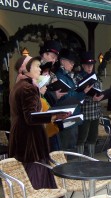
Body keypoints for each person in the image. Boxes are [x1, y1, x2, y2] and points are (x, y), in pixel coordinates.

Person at [9, 55, 70, 189]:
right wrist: (53, 117)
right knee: (34, 171)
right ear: (26, 70)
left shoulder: (21, 85)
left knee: (26, 171)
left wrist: (54, 116)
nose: (39, 69)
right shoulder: (28, 88)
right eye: (36, 66)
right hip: (29, 137)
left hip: (23, 134)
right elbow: (31, 117)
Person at [55, 48, 93, 151]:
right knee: (64, 147)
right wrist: (83, 93)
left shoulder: (67, 76)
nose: (73, 64)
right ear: (62, 61)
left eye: (73, 62)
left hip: (73, 114)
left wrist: (82, 92)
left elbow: (73, 93)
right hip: (66, 115)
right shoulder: (59, 76)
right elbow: (68, 96)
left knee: (70, 146)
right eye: (70, 62)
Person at [39, 40, 67, 150]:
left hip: (52, 120)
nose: (54, 60)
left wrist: (57, 96)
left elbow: (54, 99)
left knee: (55, 154)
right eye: (52, 56)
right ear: (43, 54)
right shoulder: (33, 72)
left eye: (55, 58)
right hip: (38, 122)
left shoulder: (53, 75)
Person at [75, 51, 104, 157]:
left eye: (91, 65)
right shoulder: (78, 78)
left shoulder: (95, 77)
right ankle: (80, 161)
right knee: (82, 138)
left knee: (93, 137)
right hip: (84, 112)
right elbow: (77, 94)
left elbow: (100, 90)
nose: (89, 67)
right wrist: (87, 94)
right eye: (87, 65)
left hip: (95, 111)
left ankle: (91, 159)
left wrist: (100, 96)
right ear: (83, 65)